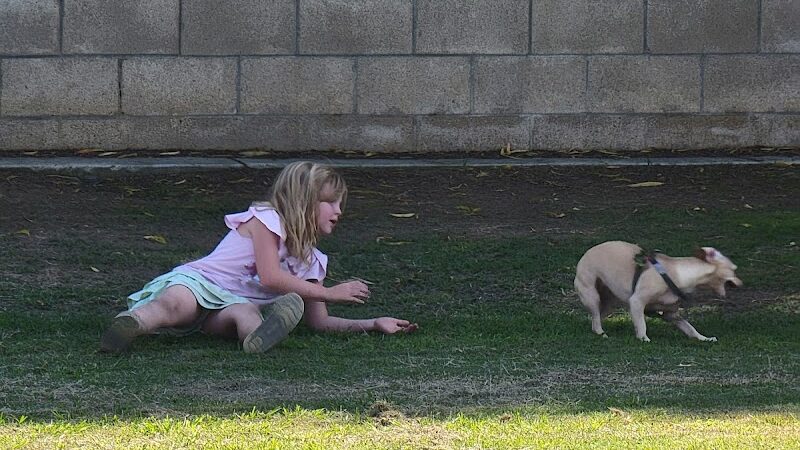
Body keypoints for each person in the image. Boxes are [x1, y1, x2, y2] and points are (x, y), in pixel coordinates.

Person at [100, 161, 417, 354]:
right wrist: (329, 292)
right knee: (174, 305)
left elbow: (320, 323)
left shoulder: (312, 261)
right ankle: (130, 325)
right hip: (201, 284)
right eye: (330, 202)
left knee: (246, 314)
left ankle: (257, 339)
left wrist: (374, 324)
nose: (339, 211)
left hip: (229, 305)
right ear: (304, 201)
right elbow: (270, 277)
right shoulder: (267, 220)